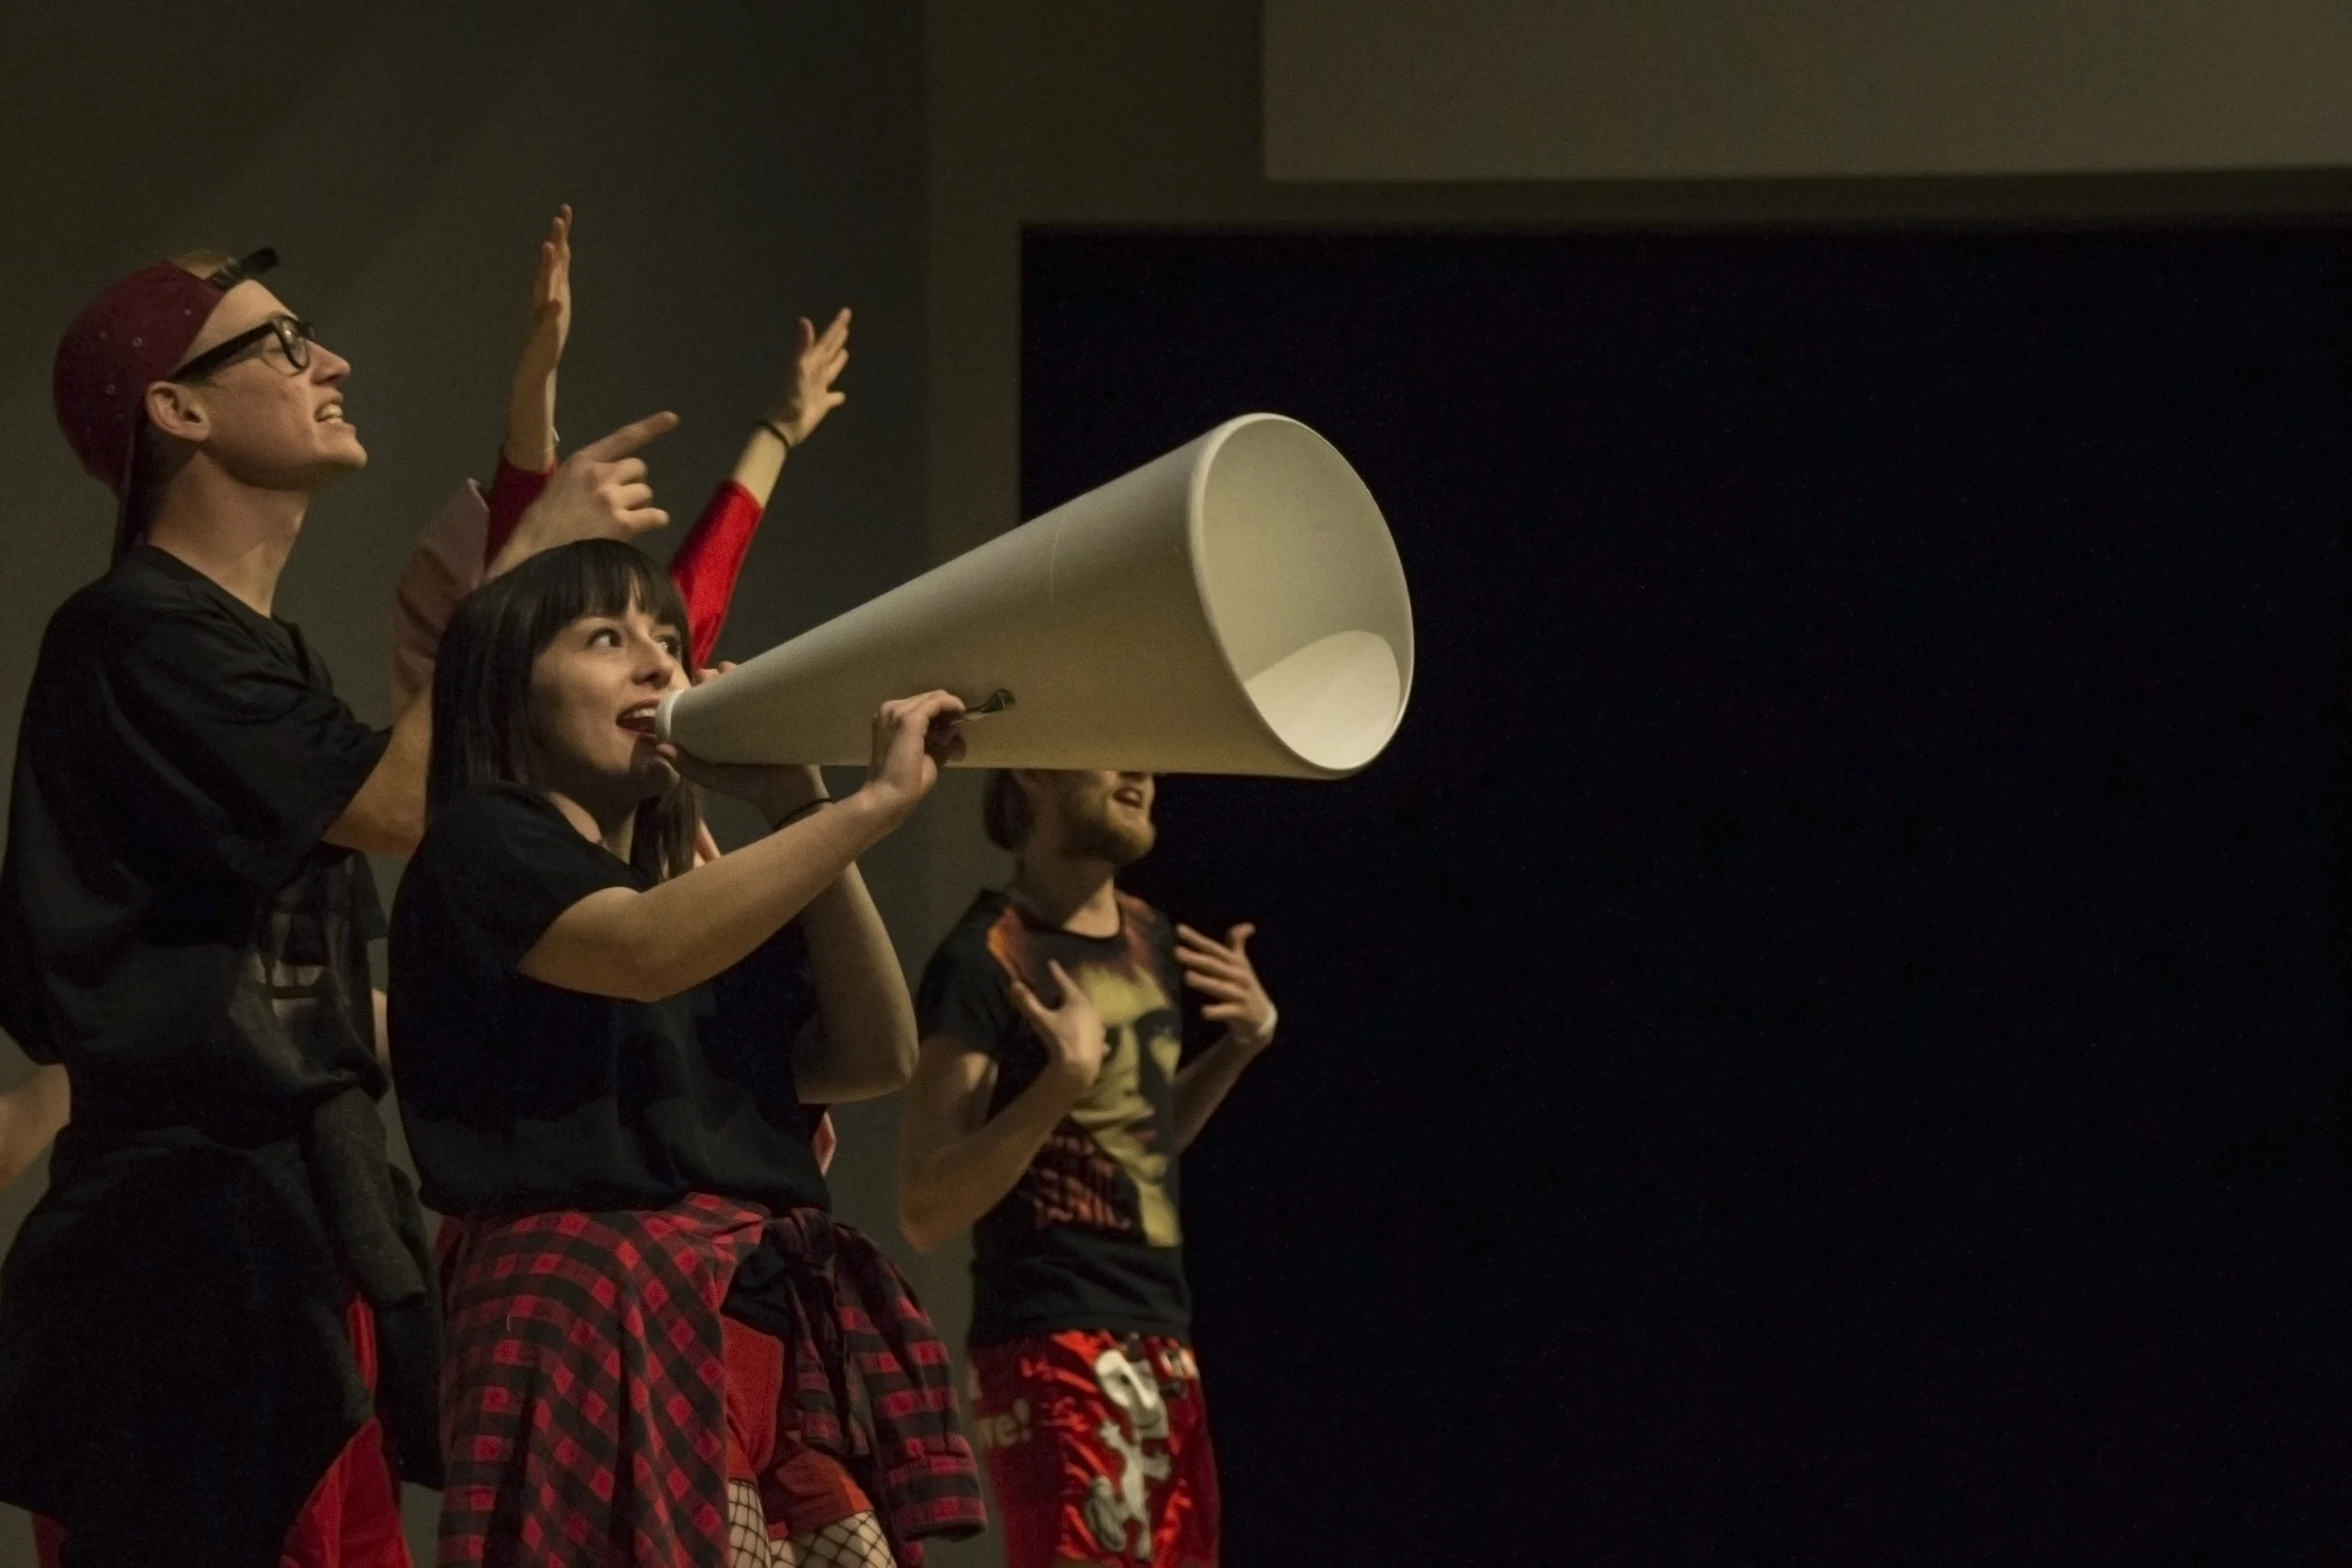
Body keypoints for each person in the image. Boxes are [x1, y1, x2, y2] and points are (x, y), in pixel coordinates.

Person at [0, 243, 674, 1568]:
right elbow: (397, 802)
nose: (331, 359)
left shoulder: (249, 652)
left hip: (279, 1250)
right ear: (175, 410)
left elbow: (301, 983)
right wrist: (531, 548)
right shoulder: (135, 632)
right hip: (184, 1279)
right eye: (279, 341)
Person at [391, 540, 985, 1568]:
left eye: (669, 638)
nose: (659, 664)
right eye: (607, 637)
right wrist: (871, 806)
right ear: (511, 687)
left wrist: (800, 802)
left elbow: (874, 1048)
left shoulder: (698, 896)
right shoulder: (485, 840)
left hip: (742, 1327)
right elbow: (640, 948)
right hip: (601, 1321)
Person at [898, 772, 1281, 1568]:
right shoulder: (985, 955)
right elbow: (926, 1205)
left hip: (1160, 1331)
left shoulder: (1149, 933)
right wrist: (1060, 1081)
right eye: (1110, 747)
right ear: (1034, 770)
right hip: (1052, 1326)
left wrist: (1239, 1047)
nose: (1140, 771)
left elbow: (1137, 1141)